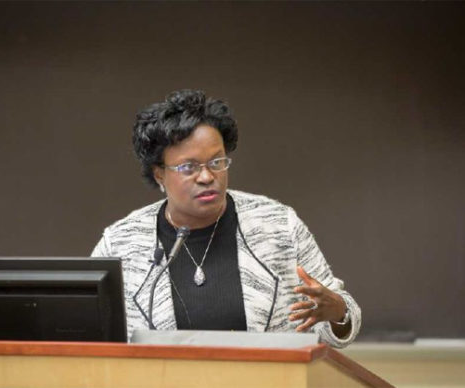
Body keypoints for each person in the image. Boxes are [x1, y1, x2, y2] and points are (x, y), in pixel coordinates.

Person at [91, 89, 361, 348]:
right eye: (188, 167)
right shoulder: (120, 244)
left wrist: (338, 313)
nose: (207, 176)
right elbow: (90, 335)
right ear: (159, 173)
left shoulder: (278, 225)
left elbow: (341, 318)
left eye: (217, 162)